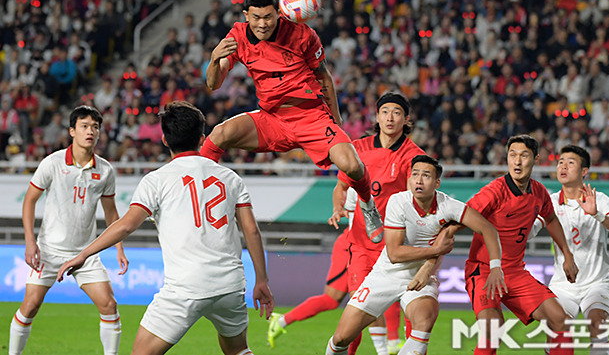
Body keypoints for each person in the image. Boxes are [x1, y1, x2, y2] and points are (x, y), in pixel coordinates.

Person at [57, 101, 273, 355]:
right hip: (230, 284)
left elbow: (126, 225)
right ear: (202, 138)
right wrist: (262, 280)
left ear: (164, 140)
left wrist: (84, 254)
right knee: (238, 350)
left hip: (185, 287)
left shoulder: (157, 180)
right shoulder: (230, 177)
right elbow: (252, 231)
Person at [202, 0, 383, 244]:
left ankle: (368, 206)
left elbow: (324, 77)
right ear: (245, 15)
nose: (262, 24)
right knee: (219, 133)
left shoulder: (303, 35)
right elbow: (213, 84)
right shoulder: (237, 37)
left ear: (279, 13)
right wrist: (214, 58)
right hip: (272, 119)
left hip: (312, 117)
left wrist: (337, 121)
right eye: (256, 17)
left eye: (268, 17)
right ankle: (195, 191)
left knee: (352, 165)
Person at [325, 155, 506, 355]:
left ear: (437, 182)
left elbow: (488, 229)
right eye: (415, 175)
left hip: (422, 281)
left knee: (425, 319)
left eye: (426, 176)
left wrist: (496, 266)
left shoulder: (449, 206)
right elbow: (395, 253)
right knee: (342, 337)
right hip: (385, 275)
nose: (418, 180)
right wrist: (436, 250)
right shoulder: (398, 202)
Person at [9, 105, 128, 355]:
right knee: (29, 306)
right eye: (84, 126)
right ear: (72, 131)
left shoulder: (105, 170)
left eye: (95, 127)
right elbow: (29, 200)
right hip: (49, 250)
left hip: (86, 253)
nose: (91, 131)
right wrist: (30, 243)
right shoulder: (52, 163)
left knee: (109, 305)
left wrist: (119, 247)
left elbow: (111, 213)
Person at [327, 92, 425, 355]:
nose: (390, 117)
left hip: (396, 248)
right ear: (377, 117)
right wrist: (338, 207)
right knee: (355, 315)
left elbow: (417, 203)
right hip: (360, 246)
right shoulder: (357, 148)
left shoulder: (414, 157)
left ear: (406, 119)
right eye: (385, 112)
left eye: (396, 112)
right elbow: (341, 186)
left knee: (413, 315)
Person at [464, 135, 579, 355]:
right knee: (492, 331)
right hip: (484, 271)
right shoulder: (494, 191)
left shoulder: (539, 193)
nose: (517, 161)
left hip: (515, 272)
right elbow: (460, 217)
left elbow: (551, 219)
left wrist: (567, 254)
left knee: (560, 322)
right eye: (512, 155)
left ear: (535, 159)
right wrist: (431, 258)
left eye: (524, 155)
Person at [530, 145, 609, 355]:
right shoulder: (550, 202)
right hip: (563, 285)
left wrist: (598, 215)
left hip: (596, 283)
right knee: (558, 328)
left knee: (597, 325)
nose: (563, 166)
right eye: (560, 162)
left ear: (584, 171)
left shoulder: (599, 200)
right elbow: (530, 232)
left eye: (571, 162)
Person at [267, 189, 356, 349]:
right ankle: (390, 343)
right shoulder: (359, 175)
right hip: (352, 246)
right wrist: (337, 209)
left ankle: (281, 321)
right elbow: (341, 186)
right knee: (354, 305)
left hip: (370, 246)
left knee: (361, 306)